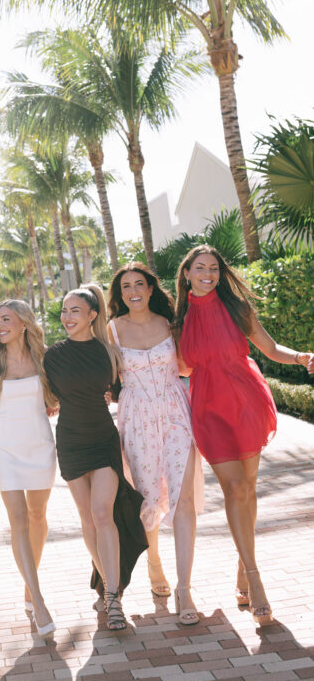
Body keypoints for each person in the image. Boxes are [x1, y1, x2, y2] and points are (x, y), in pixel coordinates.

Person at [175, 245, 314, 625]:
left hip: (246, 399)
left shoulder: (237, 308)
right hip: (208, 407)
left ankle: (242, 566)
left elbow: (269, 349)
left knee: (248, 489)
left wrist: (301, 357)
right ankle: (256, 580)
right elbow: (181, 369)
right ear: (186, 273)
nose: (208, 274)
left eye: (215, 269)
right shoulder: (178, 320)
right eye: (200, 268)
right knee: (235, 490)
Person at [43, 285, 148, 631]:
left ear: (92, 315)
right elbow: (39, 391)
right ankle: (107, 586)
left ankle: (114, 598)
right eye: (64, 310)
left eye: (75, 310)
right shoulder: (52, 355)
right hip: (71, 439)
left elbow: (128, 386)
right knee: (87, 518)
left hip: (103, 438)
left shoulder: (109, 352)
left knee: (103, 511)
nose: (68, 317)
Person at [107, 263, 204, 625]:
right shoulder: (112, 330)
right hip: (136, 418)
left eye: (139, 284)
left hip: (176, 410)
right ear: (119, 295)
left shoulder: (170, 324)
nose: (133, 291)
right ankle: (154, 560)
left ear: (151, 289)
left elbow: (188, 365)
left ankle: (185, 588)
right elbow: (102, 373)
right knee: (147, 495)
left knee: (182, 498)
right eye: (126, 287)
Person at [0, 299, 57, 635]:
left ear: (24, 323)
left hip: (40, 444)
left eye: (6, 320)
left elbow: (61, 393)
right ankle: (38, 599)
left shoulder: (45, 359)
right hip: (6, 448)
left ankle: (30, 585)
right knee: (18, 520)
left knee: (38, 516)